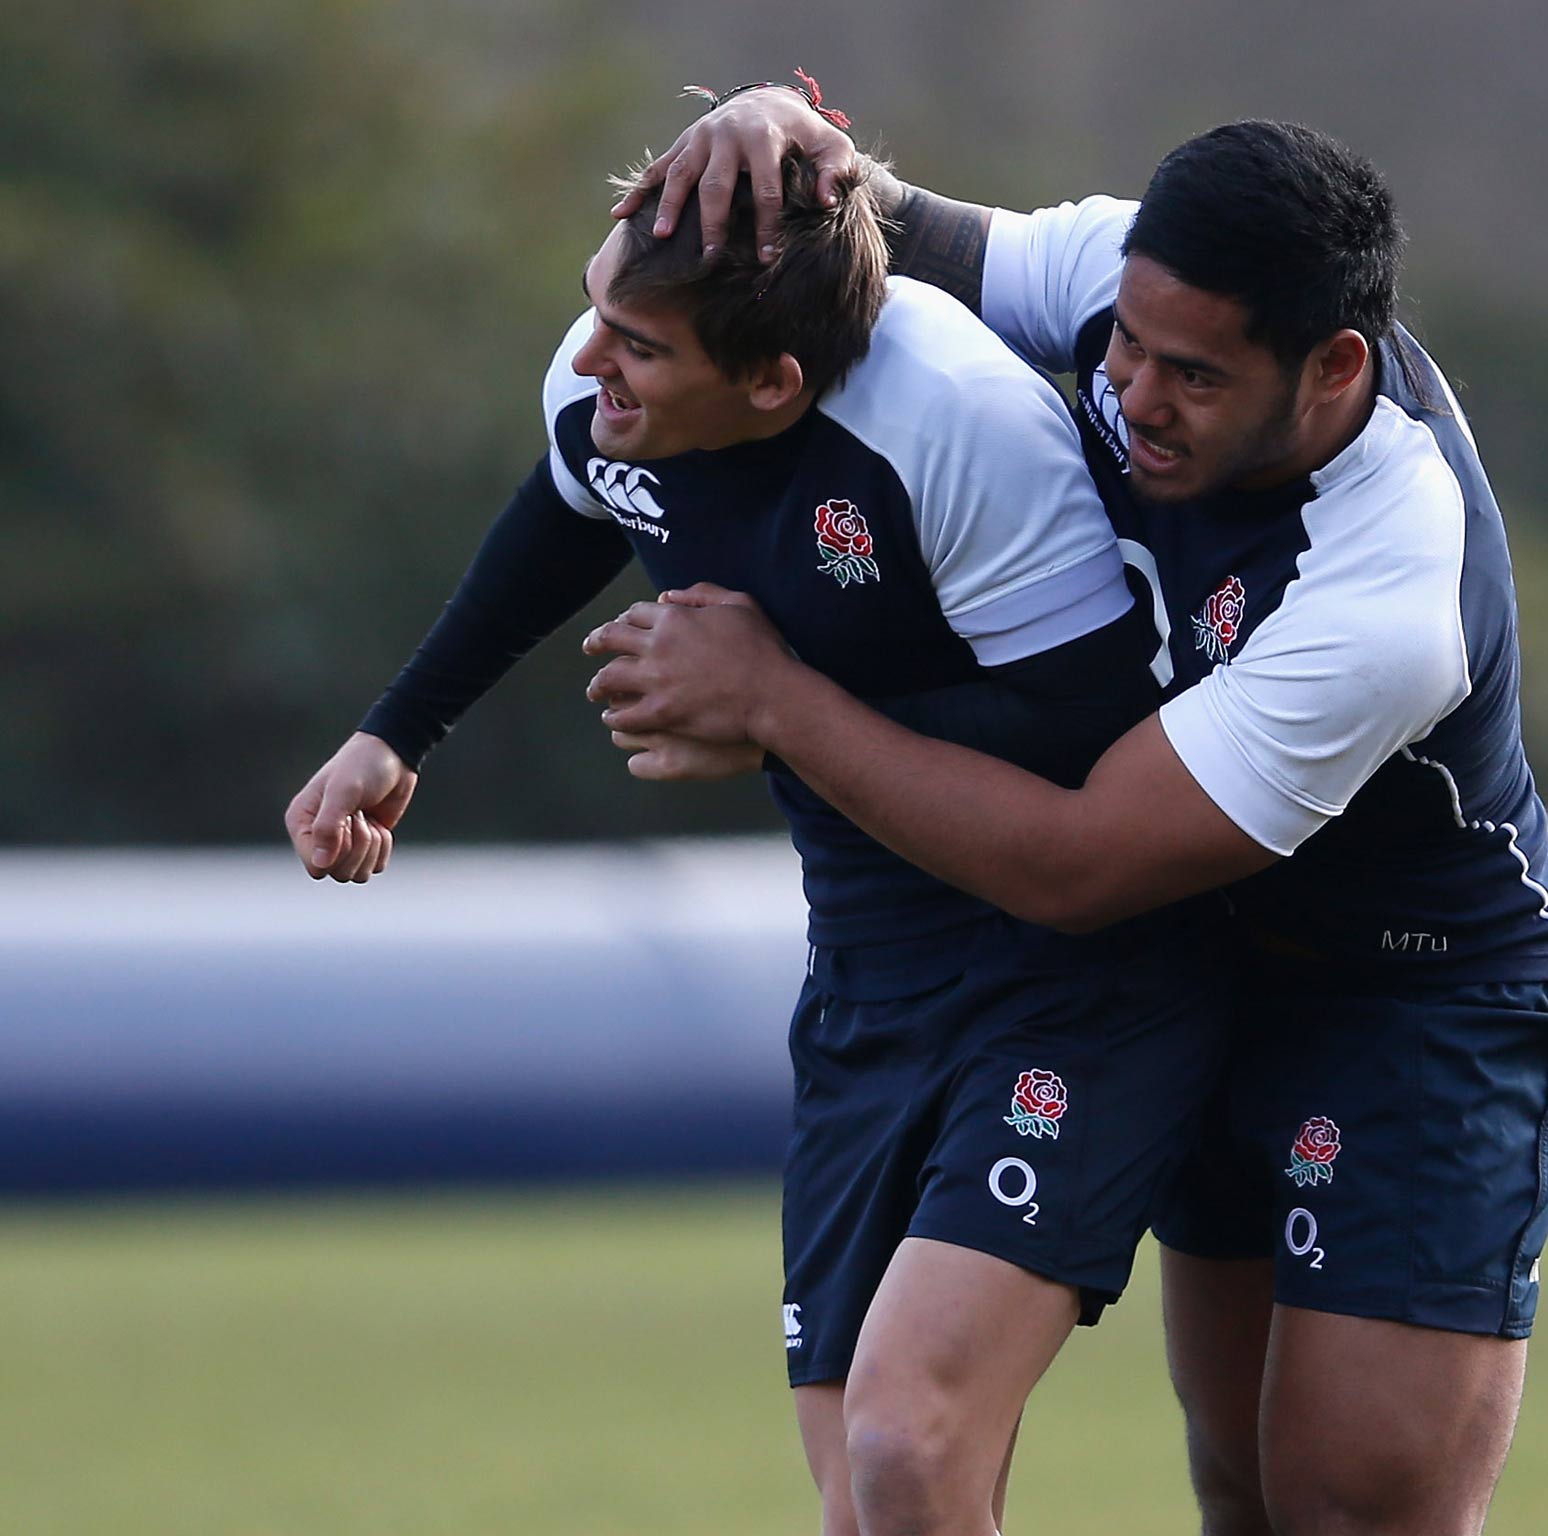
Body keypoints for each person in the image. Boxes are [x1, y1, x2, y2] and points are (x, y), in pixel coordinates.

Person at [594, 87, 1548, 1536]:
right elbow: (883, 234)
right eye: (1125, 346)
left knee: (1348, 1503)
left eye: (1190, 376)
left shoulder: (1390, 577)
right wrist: (782, 136)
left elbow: (1075, 864)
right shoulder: (1129, 277)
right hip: (1212, 956)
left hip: (1419, 1002)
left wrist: (777, 703)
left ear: (1332, 367)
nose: (1130, 394)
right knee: (1241, 1487)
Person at [284, 144, 1227, 1536]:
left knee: (908, 1442)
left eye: (639, 345)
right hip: (866, 974)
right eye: (598, 309)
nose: (592, 353)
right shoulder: (611, 371)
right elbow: (570, 502)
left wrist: (782, 706)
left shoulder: (957, 426)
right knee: (869, 1500)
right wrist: (397, 731)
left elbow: (1096, 750)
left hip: (1073, 975)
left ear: (773, 385)